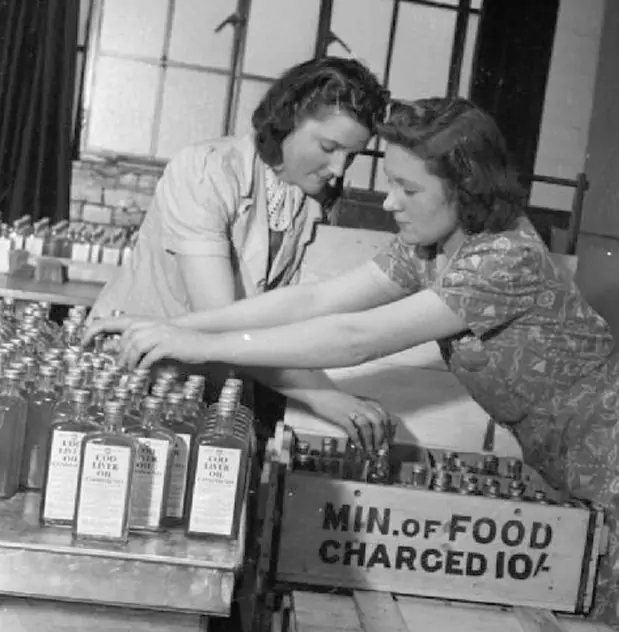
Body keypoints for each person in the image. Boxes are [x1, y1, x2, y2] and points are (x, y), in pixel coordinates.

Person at [85, 97, 619, 632]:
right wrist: (181, 325)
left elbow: (356, 338)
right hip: (564, 448)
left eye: (407, 189)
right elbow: (317, 303)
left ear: (463, 187)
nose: (388, 202)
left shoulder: (505, 258)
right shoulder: (430, 249)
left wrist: (194, 343)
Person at [88, 56, 394, 448]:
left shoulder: (305, 199)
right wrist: (325, 396)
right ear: (290, 117)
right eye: (329, 147)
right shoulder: (207, 172)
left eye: (351, 156)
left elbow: (292, 314)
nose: (338, 168)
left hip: (214, 382)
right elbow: (221, 320)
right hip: (135, 378)